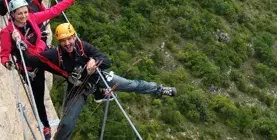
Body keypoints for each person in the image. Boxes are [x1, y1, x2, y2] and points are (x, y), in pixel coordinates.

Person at [21, 23, 177, 140]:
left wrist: (95, 61)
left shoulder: (84, 47)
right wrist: (18, 46)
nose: (67, 43)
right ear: (59, 42)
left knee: (131, 84)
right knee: (67, 123)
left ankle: (158, 89)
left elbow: (107, 61)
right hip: (78, 88)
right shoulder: (54, 55)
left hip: (98, 78)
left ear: (74, 37)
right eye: (63, 40)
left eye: (69, 38)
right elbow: (33, 59)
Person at [1, 0, 83, 140]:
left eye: (25, 12)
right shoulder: (7, 33)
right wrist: (8, 63)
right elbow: (4, 54)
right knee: (38, 98)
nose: (24, 16)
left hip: (43, 54)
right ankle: (45, 126)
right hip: (30, 67)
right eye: (19, 14)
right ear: (12, 15)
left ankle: (78, 79)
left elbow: (54, 11)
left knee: (64, 60)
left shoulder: (32, 18)